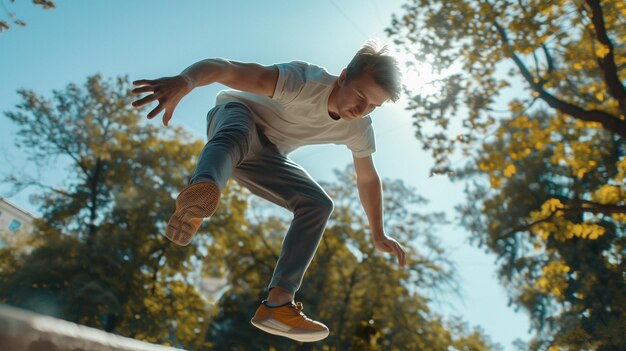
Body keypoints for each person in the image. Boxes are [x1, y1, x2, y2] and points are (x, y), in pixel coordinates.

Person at [131, 40, 407, 343]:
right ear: (343, 77)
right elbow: (226, 69)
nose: (361, 109)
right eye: (360, 96)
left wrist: (378, 233)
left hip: (266, 158)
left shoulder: (358, 128)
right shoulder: (302, 81)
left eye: (373, 106)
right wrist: (186, 81)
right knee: (237, 133)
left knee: (318, 205)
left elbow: (367, 178)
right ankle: (199, 195)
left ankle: (277, 305)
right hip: (235, 115)